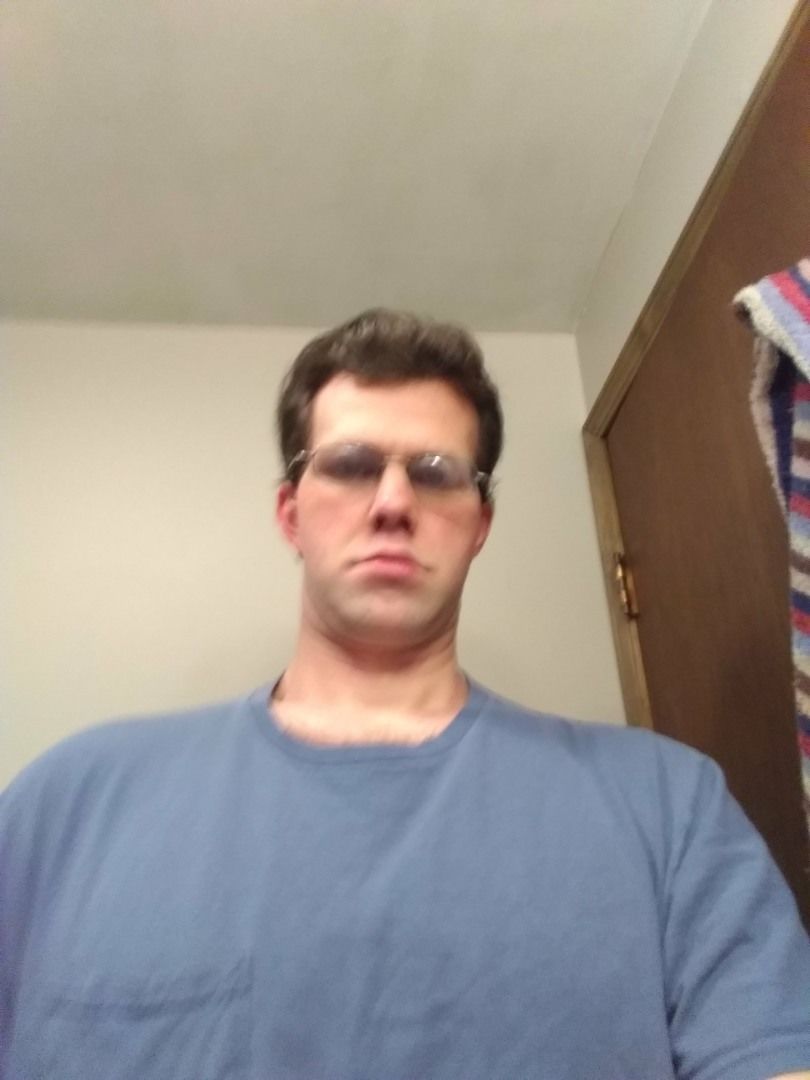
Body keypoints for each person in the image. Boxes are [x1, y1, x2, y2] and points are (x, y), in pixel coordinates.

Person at [1, 308, 809, 1080]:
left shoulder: (669, 808)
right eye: (351, 466)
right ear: (290, 513)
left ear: (480, 523)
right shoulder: (68, 804)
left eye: (435, 473)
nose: (392, 503)